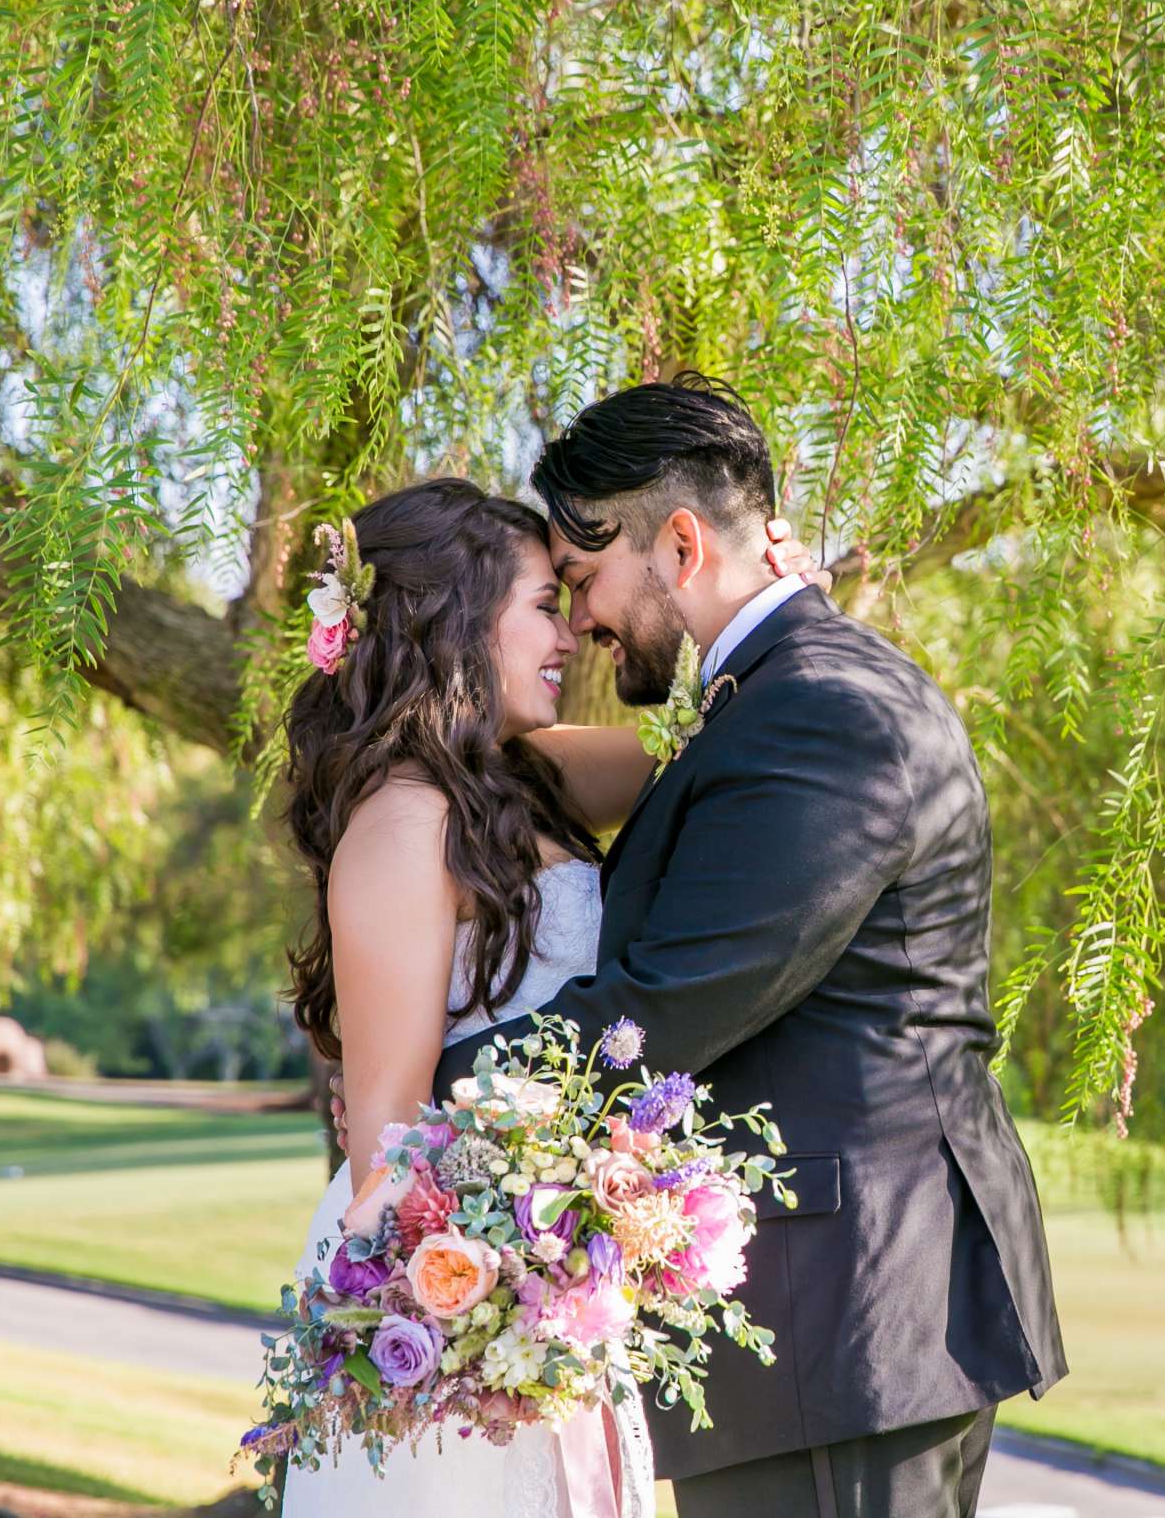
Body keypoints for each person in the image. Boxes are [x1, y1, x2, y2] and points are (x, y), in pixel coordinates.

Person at [429, 373, 1068, 1518]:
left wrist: (434, 1091)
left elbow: (667, 1007)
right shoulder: (776, 698)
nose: (580, 621)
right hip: (830, 1326)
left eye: (583, 579)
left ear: (678, 543)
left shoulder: (823, 713)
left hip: (853, 1312)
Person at [276, 475, 815, 1516]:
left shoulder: (523, 782)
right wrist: (472, 1314)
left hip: (548, 1268)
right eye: (541, 603)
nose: (572, 632)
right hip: (457, 1283)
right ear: (456, 621)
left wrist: (776, 620)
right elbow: (386, 1132)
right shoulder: (400, 826)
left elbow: (692, 757)